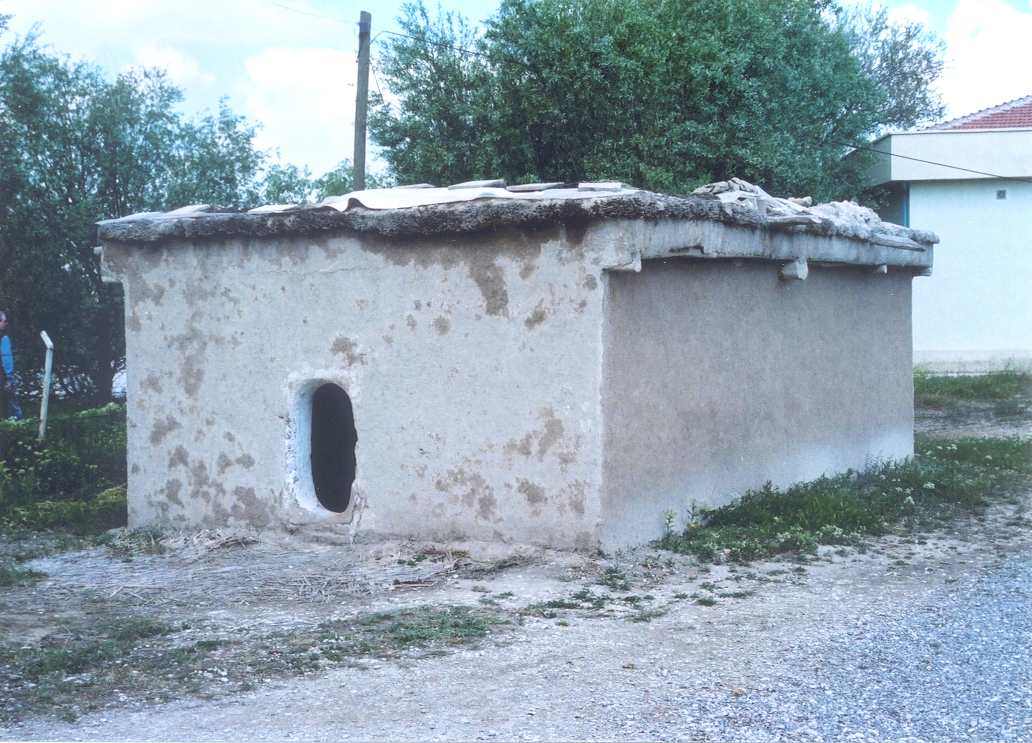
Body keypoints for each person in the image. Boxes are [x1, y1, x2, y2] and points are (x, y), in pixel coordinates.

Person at [0, 310, 22, 420]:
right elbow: (6, 358)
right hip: (3, 375)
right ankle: (18, 425)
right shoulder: (4, 338)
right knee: (12, 401)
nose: (6, 323)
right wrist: (9, 378)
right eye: (4, 321)